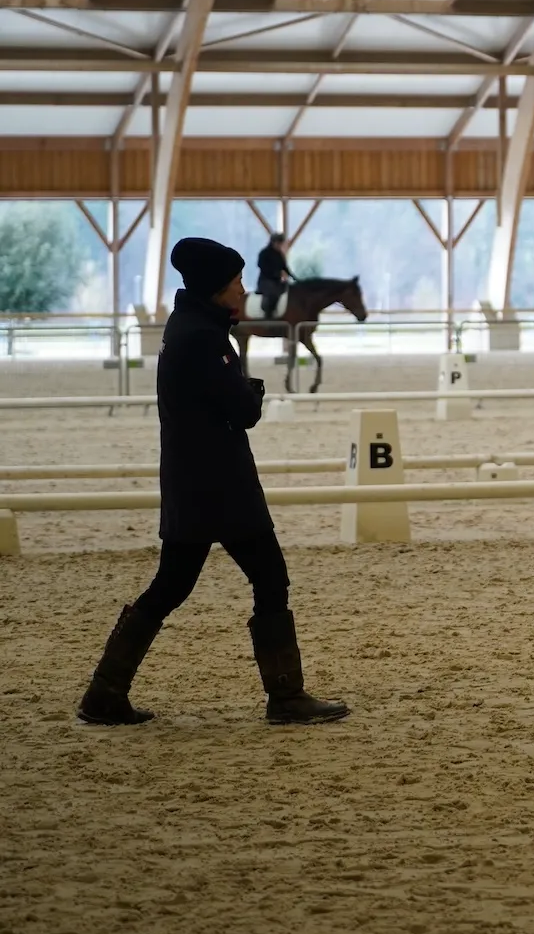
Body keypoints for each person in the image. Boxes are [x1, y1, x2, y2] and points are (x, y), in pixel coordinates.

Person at [75, 237, 348, 727]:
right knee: (270, 577)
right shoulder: (204, 337)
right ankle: (286, 696)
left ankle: (104, 692)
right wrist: (252, 388)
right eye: (236, 282)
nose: (243, 290)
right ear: (215, 287)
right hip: (221, 484)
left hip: (190, 480)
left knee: (170, 586)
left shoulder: (184, 326)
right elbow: (242, 412)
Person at [256, 230, 295, 319]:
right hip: (265, 281)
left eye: (281, 243)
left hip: (276, 281)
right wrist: (275, 274)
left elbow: (284, 267)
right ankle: (268, 316)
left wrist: (293, 277)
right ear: (274, 242)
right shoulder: (264, 253)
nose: (280, 246)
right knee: (273, 294)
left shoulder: (279, 254)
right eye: (279, 243)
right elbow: (261, 266)